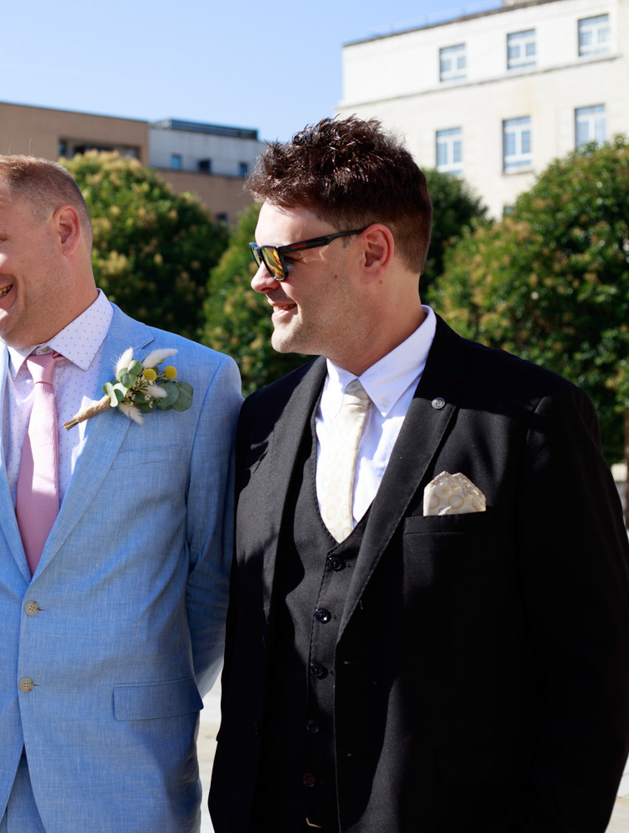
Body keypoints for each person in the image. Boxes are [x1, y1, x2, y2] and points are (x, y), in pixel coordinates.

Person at [208, 116, 629, 831]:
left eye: (279, 257)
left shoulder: (529, 417)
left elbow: (598, 675)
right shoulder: (261, 420)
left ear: (373, 250)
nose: (258, 280)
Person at [0, 154, 241, 832]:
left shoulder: (197, 383)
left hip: (120, 772)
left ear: (65, 230)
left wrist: (130, 686)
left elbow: (212, 586)